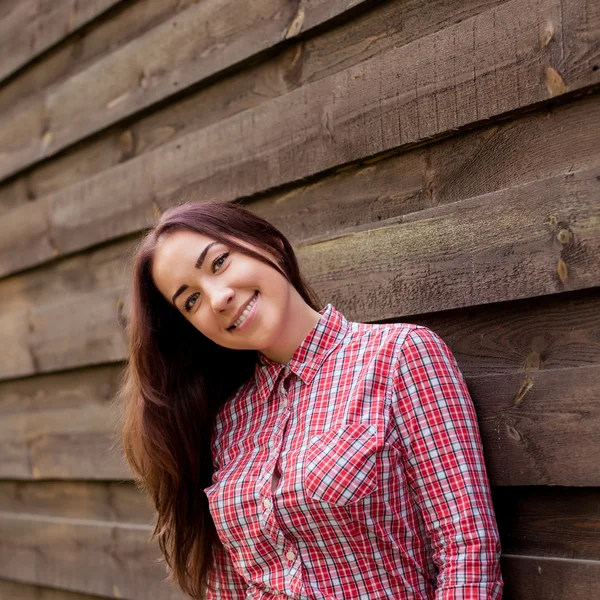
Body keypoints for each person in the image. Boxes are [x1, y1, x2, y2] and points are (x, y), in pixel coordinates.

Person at [119, 200, 503, 600]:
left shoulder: (399, 357)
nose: (217, 298)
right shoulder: (226, 423)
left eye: (218, 263)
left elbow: (467, 551)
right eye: (190, 301)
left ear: (268, 244)